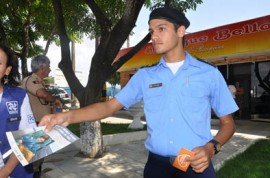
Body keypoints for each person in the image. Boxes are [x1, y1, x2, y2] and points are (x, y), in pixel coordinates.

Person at [39, 7, 238, 178]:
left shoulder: (209, 74)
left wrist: (211, 148)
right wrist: (65, 117)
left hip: (197, 166)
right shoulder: (145, 76)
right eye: (152, 31)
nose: (154, 36)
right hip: (156, 168)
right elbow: (109, 107)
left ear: (181, 31)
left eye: (161, 29)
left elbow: (228, 124)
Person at [21, 55, 61, 177]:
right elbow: (42, 94)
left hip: (40, 125)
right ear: (42, 67)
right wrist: (54, 99)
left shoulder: (39, 81)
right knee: (34, 158)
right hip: (34, 126)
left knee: (39, 157)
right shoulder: (32, 80)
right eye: (48, 66)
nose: (49, 69)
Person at [0, 44, 37, 178]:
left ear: (7, 70)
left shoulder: (19, 97)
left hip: (15, 172)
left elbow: (32, 139)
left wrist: (5, 171)